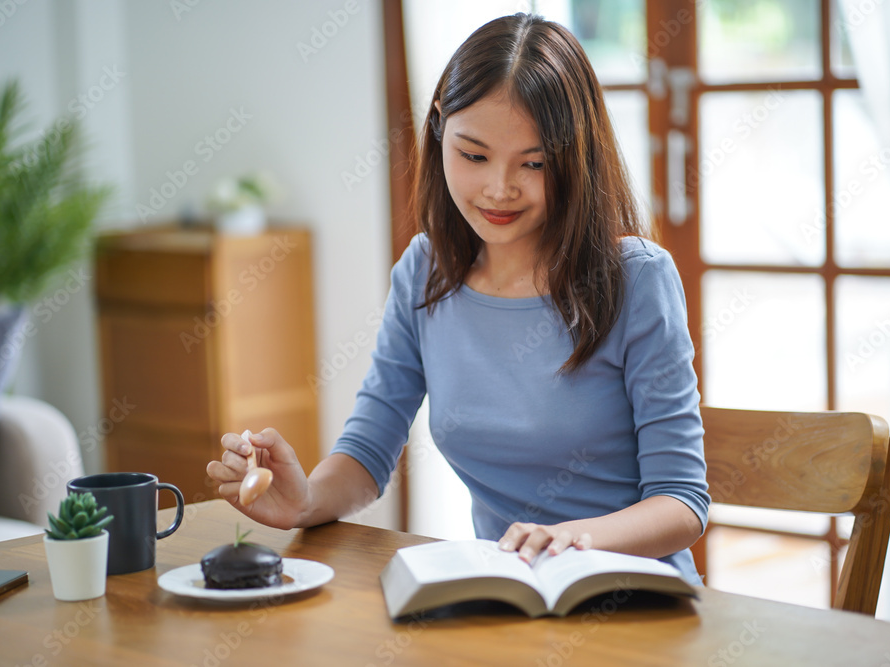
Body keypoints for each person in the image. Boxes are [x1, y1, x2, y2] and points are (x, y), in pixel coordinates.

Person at [206, 13, 710, 585]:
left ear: (577, 159)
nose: (500, 188)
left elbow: (682, 502)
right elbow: (370, 450)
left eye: (535, 163)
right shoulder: (425, 272)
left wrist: (575, 540)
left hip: (636, 599)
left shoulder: (637, 280)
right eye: (474, 156)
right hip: (512, 600)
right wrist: (303, 500)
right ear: (440, 131)